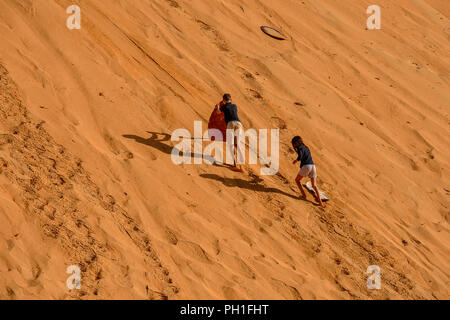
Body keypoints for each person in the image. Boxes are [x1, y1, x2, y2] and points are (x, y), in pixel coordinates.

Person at [292, 136, 324, 207]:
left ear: (297, 143)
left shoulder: (300, 148)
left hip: (306, 166)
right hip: (313, 166)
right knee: (314, 185)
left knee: (297, 180)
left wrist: (296, 160)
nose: (294, 145)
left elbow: (300, 156)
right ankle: (320, 202)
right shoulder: (306, 148)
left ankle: (303, 195)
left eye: (294, 143)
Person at [215, 94, 243, 171]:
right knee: (238, 144)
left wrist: (217, 107)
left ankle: (235, 163)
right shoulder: (235, 106)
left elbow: (218, 112)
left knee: (231, 144)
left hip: (230, 124)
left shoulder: (224, 106)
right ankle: (242, 162)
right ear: (231, 99)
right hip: (238, 124)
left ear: (224, 100)